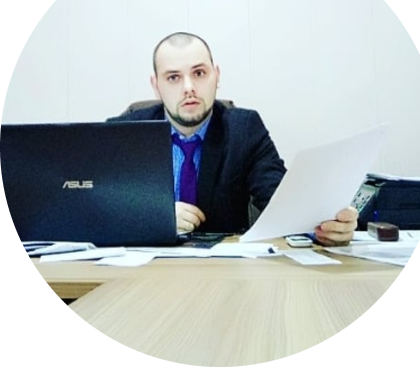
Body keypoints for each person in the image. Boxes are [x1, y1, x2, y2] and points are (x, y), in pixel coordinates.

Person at [107, 31, 358, 246]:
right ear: (156, 86)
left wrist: (326, 226)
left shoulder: (244, 129)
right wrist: (153, 217)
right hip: (147, 269)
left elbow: (282, 203)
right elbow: (95, 206)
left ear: (216, 76)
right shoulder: (125, 132)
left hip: (225, 269)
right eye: (173, 77)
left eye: (199, 73)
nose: (188, 87)